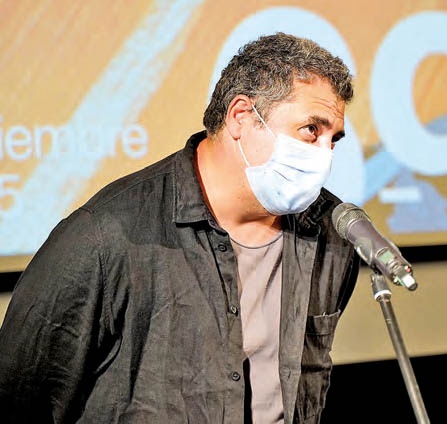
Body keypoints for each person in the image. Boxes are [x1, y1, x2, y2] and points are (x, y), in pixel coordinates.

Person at [0, 32, 360, 423]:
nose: (324, 156)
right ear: (241, 117)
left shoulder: (333, 234)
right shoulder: (104, 236)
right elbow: (20, 396)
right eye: (311, 130)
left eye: (334, 140)